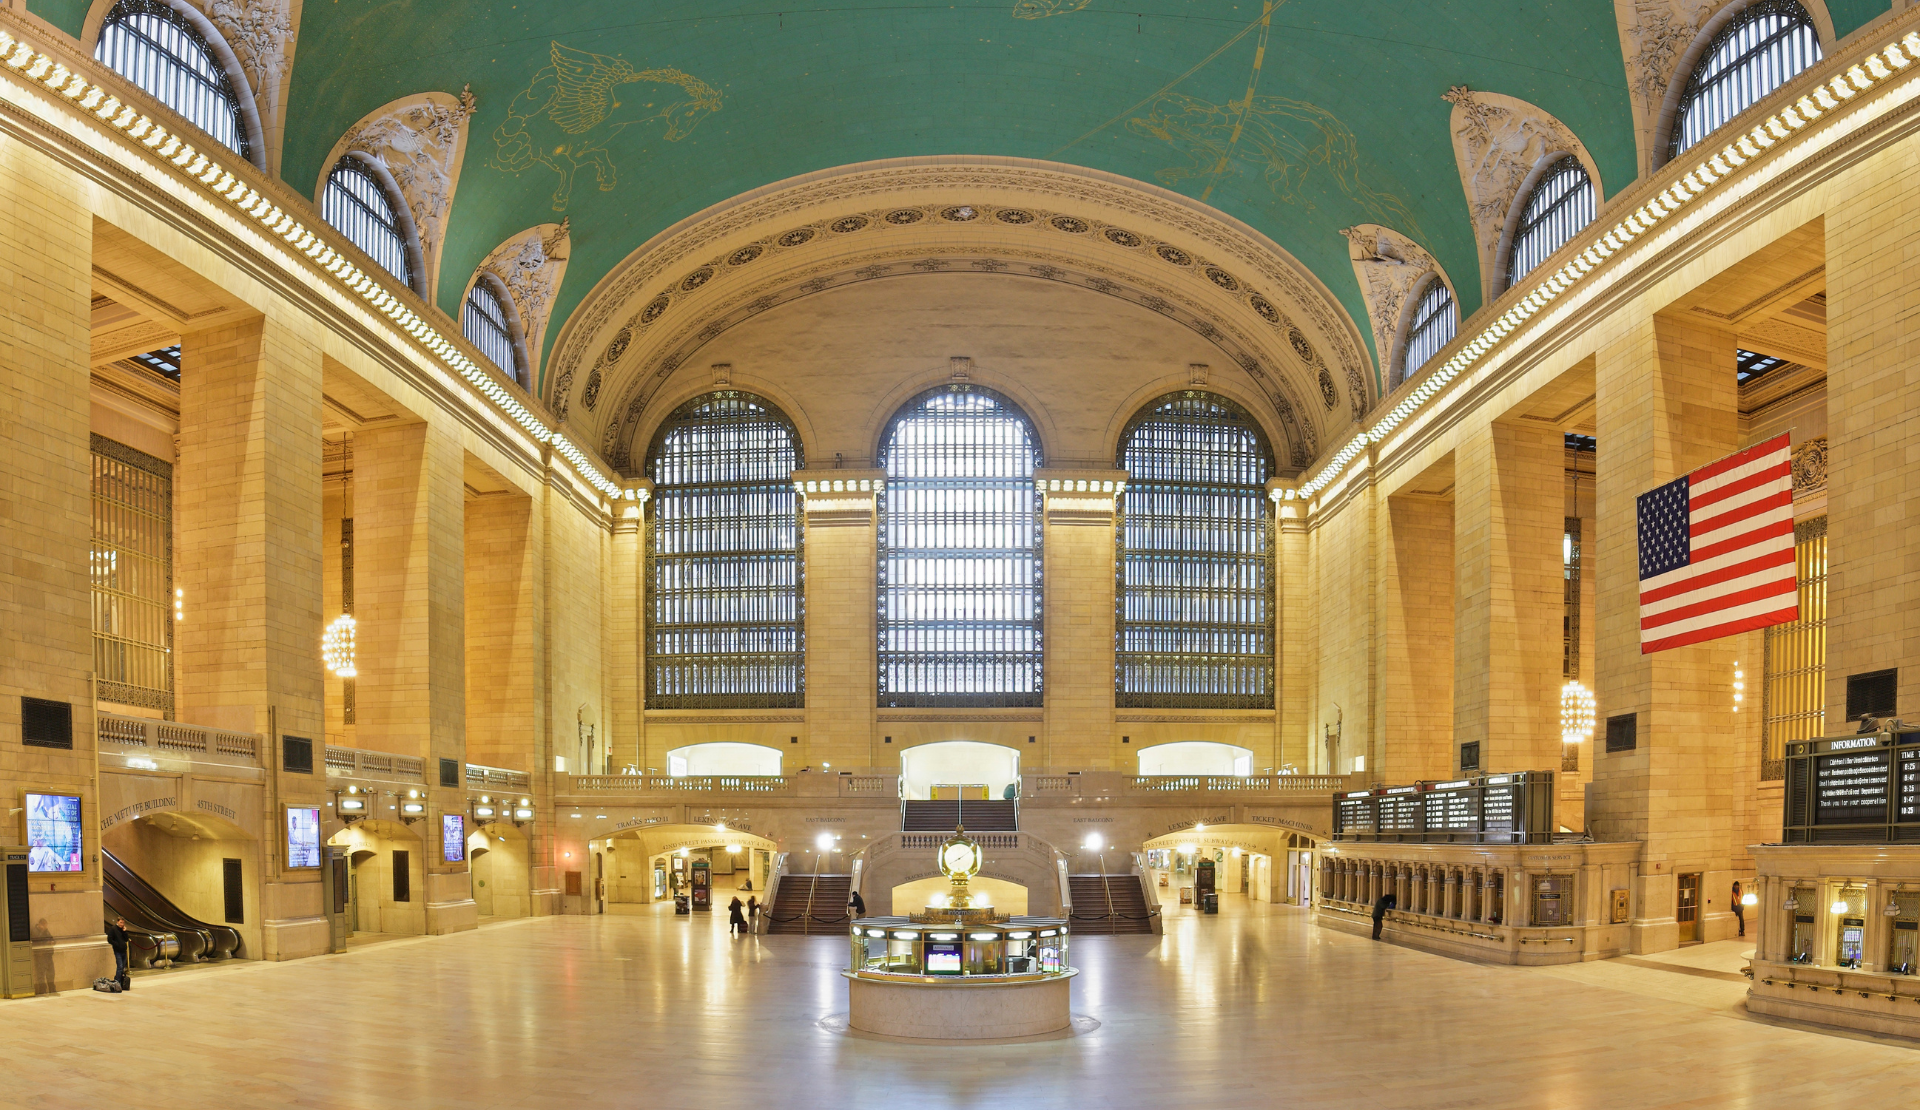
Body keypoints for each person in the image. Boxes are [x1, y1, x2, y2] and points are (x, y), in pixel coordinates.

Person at [106, 917, 130, 991]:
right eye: (121, 922)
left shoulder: (122, 930)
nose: (122, 924)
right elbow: (109, 939)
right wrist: (116, 944)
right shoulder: (113, 929)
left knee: (122, 967)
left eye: (123, 923)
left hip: (123, 950)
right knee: (119, 966)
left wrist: (125, 932)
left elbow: (126, 939)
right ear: (117, 922)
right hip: (118, 950)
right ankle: (117, 982)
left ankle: (119, 981)